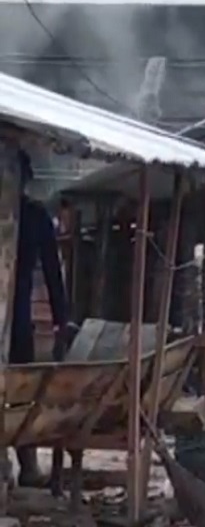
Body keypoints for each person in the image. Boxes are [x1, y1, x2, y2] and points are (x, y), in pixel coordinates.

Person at [12, 150, 70, 487]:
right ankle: (25, 465)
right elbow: (52, 271)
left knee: (22, 392)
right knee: (21, 392)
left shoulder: (34, 216)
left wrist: (62, 318)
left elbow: (52, 271)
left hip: (17, 320)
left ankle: (27, 464)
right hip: (17, 319)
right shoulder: (34, 215)